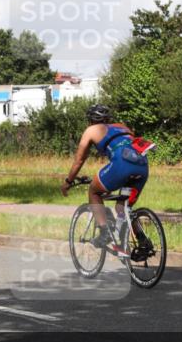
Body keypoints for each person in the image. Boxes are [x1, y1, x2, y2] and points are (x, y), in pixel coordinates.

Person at [61, 104, 152, 253]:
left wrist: (68, 182)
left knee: (94, 191)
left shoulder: (91, 130)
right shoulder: (122, 127)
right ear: (108, 119)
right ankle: (142, 240)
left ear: (90, 120)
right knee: (123, 207)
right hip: (142, 165)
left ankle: (104, 233)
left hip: (122, 165)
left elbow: (79, 160)